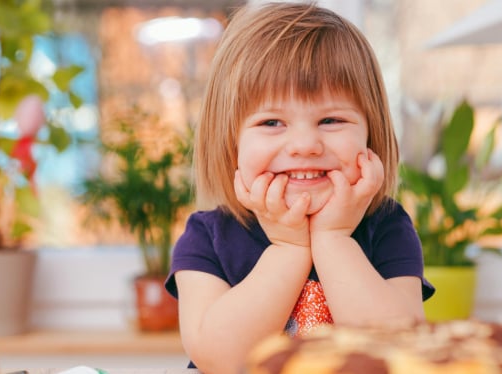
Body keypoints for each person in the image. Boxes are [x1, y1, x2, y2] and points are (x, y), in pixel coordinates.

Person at [164, 2, 434, 373]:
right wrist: (289, 247)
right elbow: (220, 359)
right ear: (231, 143)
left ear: (370, 135)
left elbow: (398, 351)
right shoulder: (207, 236)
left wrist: (334, 239)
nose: (305, 144)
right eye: (272, 122)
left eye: (331, 119)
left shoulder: (387, 226)